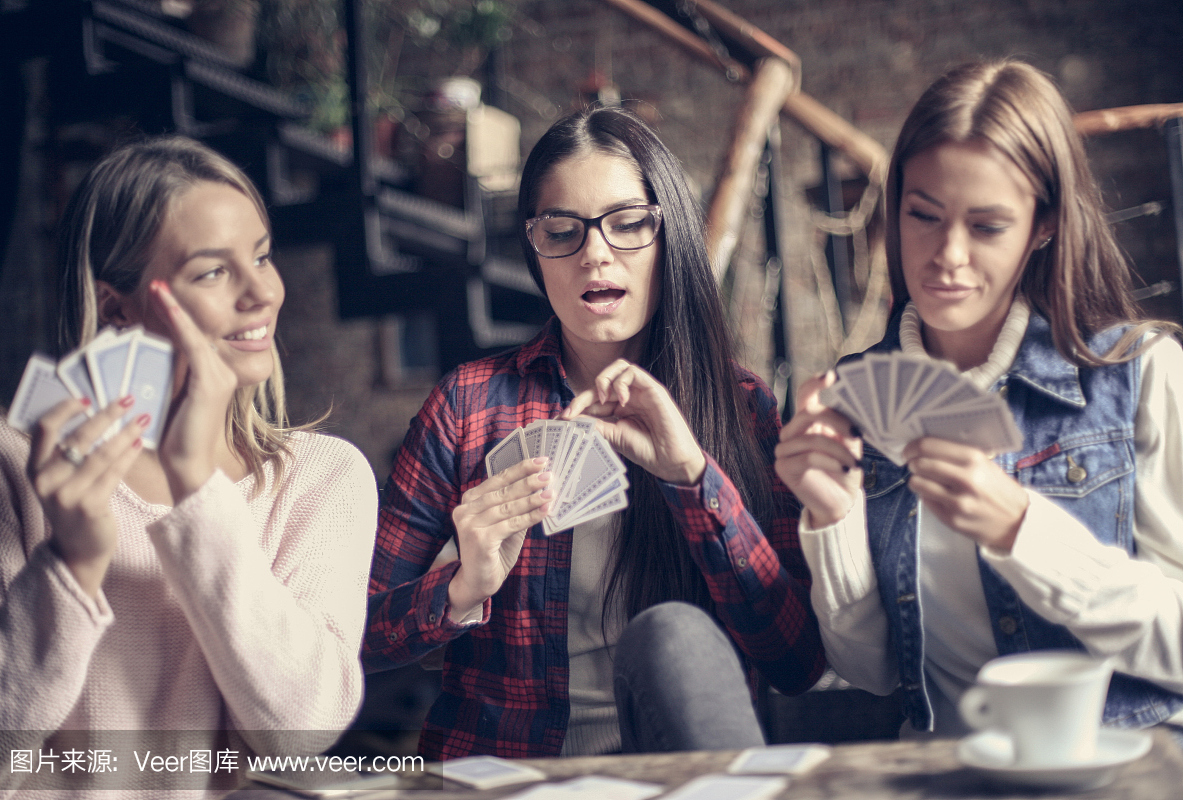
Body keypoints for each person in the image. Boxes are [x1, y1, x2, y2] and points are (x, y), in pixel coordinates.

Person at [364, 106, 825, 760]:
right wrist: (462, 588)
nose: (596, 253)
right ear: (535, 250)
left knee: (673, 635)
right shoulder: (466, 406)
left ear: (670, 236)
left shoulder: (741, 405)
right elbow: (358, 635)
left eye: (629, 223)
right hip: (511, 774)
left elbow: (796, 660)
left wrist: (693, 478)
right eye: (562, 231)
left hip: (680, 771)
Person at [775, 59, 1183, 737]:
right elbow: (873, 672)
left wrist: (1024, 532)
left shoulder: (1141, 373)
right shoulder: (856, 395)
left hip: (1118, 764)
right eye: (924, 215)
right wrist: (834, 518)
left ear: (1043, 224)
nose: (947, 255)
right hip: (945, 768)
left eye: (988, 226)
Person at [0, 137, 378, 794]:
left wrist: (198, 486)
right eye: (212, 271)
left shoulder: (322, 478)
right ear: (117, 308)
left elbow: (300, 731)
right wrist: (72, 565)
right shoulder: (2, 467)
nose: (262, 293)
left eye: (261, 256)